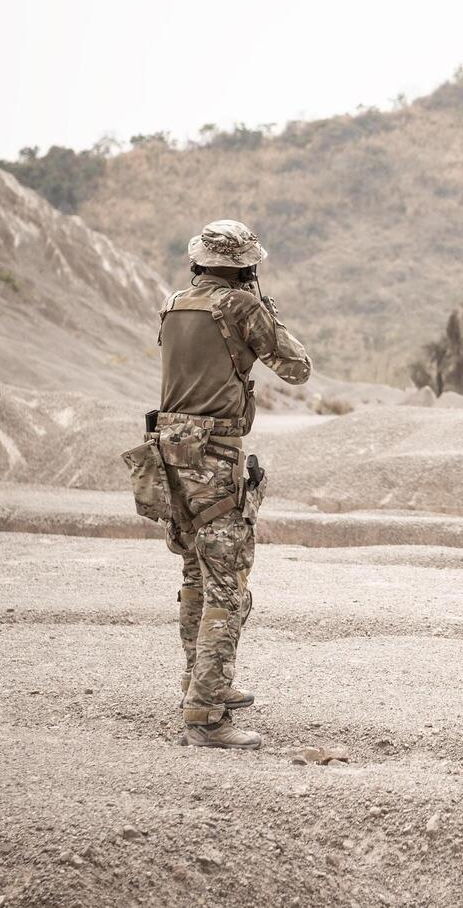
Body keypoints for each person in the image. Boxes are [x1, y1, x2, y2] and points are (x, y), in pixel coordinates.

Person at [154, 220, 311, 749]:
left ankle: (199, 684)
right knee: (227, 585)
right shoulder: (240, 307)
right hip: (216, 455)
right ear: (245, 266)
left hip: (171, 453)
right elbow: (296, 368)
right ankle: (207, 716)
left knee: (196, 576)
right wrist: (267, 313)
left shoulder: (175, 303)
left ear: (199, 261)